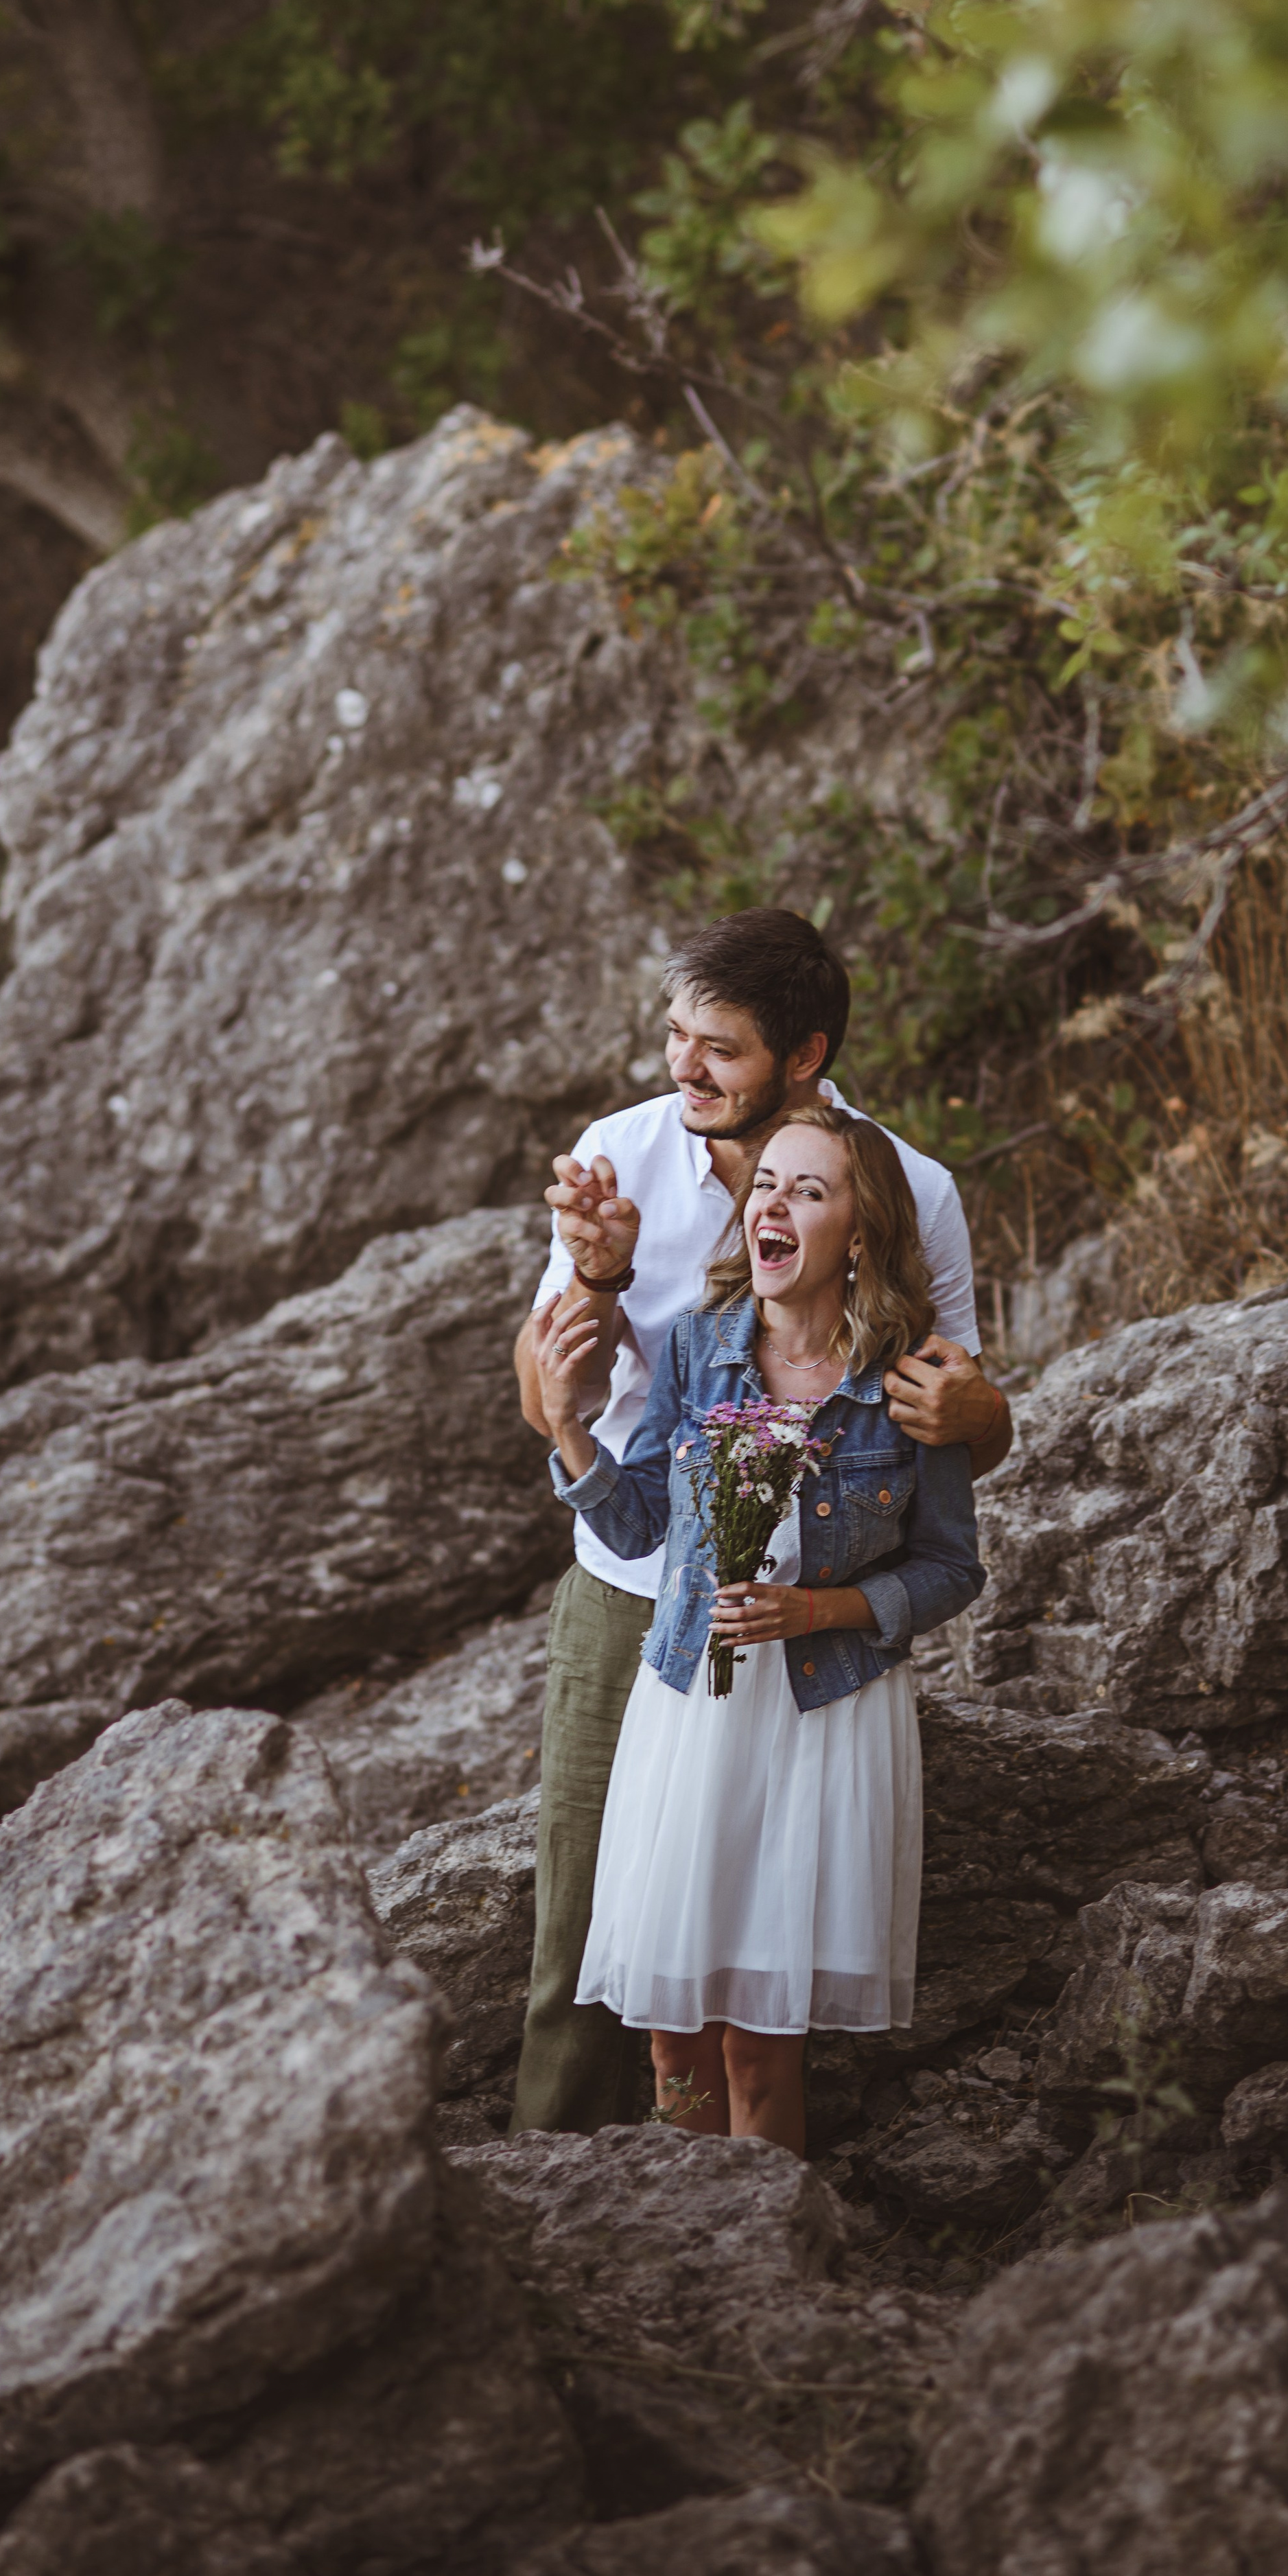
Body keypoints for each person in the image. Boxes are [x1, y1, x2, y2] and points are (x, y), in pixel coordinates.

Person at [510, 906, 1013, 2135]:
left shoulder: (909, 1188)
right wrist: (600, 1280)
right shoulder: (619, 1157)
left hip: (811, 1663)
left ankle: (753, 2210)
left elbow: (948, 1431)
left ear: (804, 1056)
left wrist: (985, 1409)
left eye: (720, 1048)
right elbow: (549, 1402)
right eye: (675, 1036)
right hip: (633, 1598)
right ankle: (553, 2194)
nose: (684, 1068)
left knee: (759, 1987)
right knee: (587, 1941)